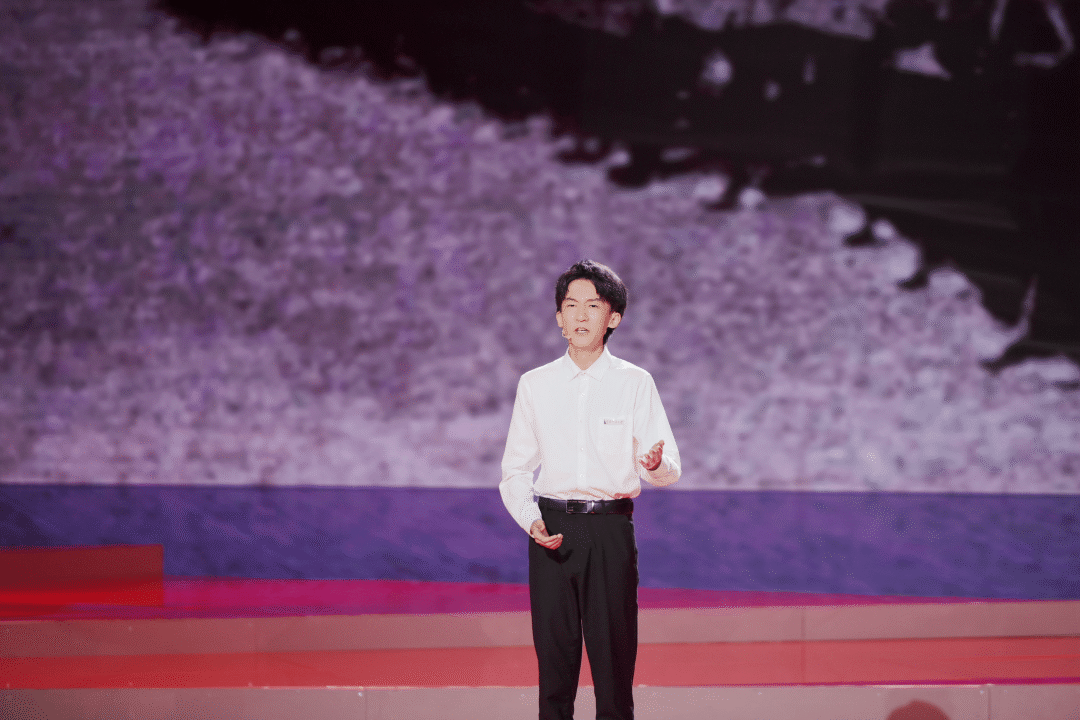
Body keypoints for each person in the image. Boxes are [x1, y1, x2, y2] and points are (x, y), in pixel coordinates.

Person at [500, 260, 681, 720]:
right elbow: (515, 469)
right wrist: (531, 519)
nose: (581, 315)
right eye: (571, 305)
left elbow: (669, 468)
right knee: (554, 672)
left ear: (613, 317)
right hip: (551, 530)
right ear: (559, 318)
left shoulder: (635, 383)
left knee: (613, 672)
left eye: (594, 306)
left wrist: (654, 465)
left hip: (609, 530)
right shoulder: (535, 384)